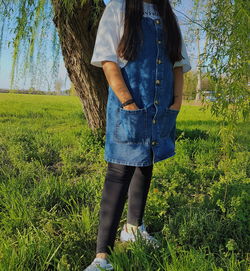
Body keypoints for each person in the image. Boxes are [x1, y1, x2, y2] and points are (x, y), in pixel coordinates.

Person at [85, 0, 192, 270]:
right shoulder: (119, 8)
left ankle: (133, 228)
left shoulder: (167, 15)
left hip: (160, 108)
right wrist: (128, 103)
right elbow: (109, 61)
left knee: (146, 164)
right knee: (119, 171)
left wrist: (176, 103)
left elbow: (177, 63)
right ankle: (102, 257)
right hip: (129, 105)